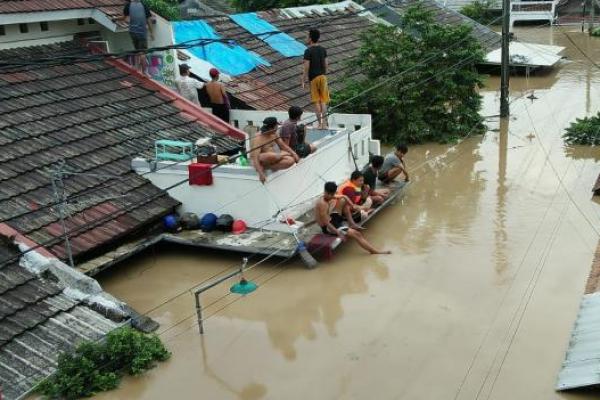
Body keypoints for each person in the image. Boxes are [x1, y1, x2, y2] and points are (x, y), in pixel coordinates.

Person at [315, 182, 391, 255]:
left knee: (343, 200)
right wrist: (338, 233)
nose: (333, 196)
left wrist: (352, 206)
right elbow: (326, 223)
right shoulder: (322, 204)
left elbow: (344, 196)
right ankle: (374, 251)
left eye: (334, 194)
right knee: (357, 234)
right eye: (331, 195)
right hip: (329, 227)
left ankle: (351, 223)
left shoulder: (328, 196)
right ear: (326, 192)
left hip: (332, 218)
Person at [250, 117, 299, 183]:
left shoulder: (274, 134)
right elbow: (255, 157)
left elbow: (283, 145)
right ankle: (269, 163)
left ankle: (268, 166)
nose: (277, 127)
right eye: (276, 126)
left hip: (275, 158)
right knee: (272, 155)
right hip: (262, 159)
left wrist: (294, 154)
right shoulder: (258, 138)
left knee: (291, 160)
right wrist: (260, 173)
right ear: (271, 128)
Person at [302, 28, 329, 129]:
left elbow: (306, 67)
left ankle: (319, 124)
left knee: (316, 101)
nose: (307, 38)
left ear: (310, 38)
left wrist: (303, 79)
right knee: (323, 101)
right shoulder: (323, 50)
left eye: (307, 36)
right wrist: (324, 73)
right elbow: (326, 64)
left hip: (313, 78)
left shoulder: (308, 51)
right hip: (322, 77)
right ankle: (325, 124)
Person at [123, 0, 153, 74]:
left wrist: (114, 19)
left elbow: (125, 18)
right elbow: (149, 20)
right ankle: (144, 72)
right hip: (142, 33)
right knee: (142, 53)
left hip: (132, 32)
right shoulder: (143, 5)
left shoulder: (128, 5)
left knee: (137, 50)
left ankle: (136, 67)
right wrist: (151, 33)